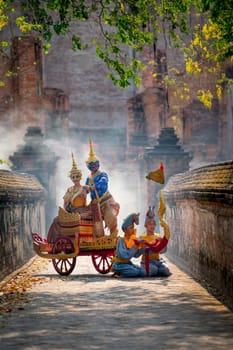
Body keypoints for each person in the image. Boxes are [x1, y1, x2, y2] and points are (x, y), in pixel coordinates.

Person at [47, 152, 91, 243]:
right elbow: (65, 203)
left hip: (81, 212)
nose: (75, 179)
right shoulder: (69, 189)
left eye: (77, 176)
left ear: (80, 177)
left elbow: (92, 191)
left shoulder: (84, 188)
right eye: (73, 177)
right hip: (71, 212)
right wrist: (66, 211)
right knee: (56, 220)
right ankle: (53, 241)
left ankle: (58, 241)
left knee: (62, 220)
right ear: (71, 178)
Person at [85, 138, 120, 236]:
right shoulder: (88, 178)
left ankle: (113, 236)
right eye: (92, 165)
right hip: (95, 204)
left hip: (106, 201)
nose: (95, 166)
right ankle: (99, 238)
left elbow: (103, 182)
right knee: (95, 224)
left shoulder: (103, 174)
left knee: (111, 218)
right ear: (89, 166)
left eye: (96, 164)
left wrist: (93, 187)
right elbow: (86, 190)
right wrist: (82, 189)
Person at [111, 213, 146, 278]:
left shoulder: (132, 239)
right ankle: (118, 273)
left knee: (143, 272)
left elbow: (135, 255)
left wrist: (143, 247)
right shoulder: (121, 240)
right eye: (130, 228)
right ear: (125, 230)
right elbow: (125, 256)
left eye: (133, 228)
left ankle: (127, 271)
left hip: (127, 264)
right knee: (135, 272)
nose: (133, 230)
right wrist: (136, 245)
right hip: (119, 264)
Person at [140, 206, 171, 277]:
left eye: (153, 224)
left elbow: (163, 251)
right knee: (154, 270)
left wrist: (163, 244)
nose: (152, 226)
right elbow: (139, 251)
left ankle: (159, 269)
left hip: (157, 260)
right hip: (147, 261)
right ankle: (150, 269)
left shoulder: (158, 236)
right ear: (145, 226)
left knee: (165, 271)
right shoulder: (142, 237)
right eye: (150, 224)